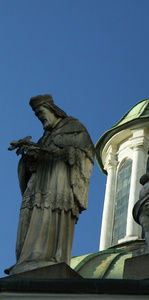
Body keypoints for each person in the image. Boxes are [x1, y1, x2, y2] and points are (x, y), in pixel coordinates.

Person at [7, 94, 94, 275]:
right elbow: (34, 163)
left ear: (53, 110)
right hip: (40, 183)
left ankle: (48, 256)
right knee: (30, 215)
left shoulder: (74, 128)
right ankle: (26, 258)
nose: (41, 118)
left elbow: (85, 153)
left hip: (59, 181)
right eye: (38, 116)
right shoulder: (45, 137)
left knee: (52, 214)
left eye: (42, 113)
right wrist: (30, 158)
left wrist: (58, 153)